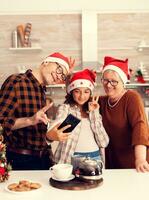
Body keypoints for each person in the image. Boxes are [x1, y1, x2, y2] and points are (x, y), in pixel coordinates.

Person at [0, 52, 75, 170]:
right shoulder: (17, 81)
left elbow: (36, 135)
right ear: (46, 62)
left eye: (63, 76)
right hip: (20, 161)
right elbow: (1, 123)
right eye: (59, 70)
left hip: (42, 160)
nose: (59, 77)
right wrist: (29, 120)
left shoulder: (41, 90)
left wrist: (51, 137)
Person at [46, 69, 109, 164]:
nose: (82, 96)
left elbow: (103, 142)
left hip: (94, 158)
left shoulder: (93, 111)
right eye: (77, 91)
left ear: (90, 93)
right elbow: (59, 122)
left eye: (86, 92)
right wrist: (52, 132)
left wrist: (94, 113)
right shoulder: (66, 108)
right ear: (71, 92)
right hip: (71, 158)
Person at [99, 56, 149, 172]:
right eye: (105, 80)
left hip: (135, 163)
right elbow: (80, 99)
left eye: (114, 81)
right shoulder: (102, 101)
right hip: (113, 162)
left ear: (123, 82)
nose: (108, 85)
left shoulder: (131, 97)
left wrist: (140, 159)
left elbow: (140, 127)